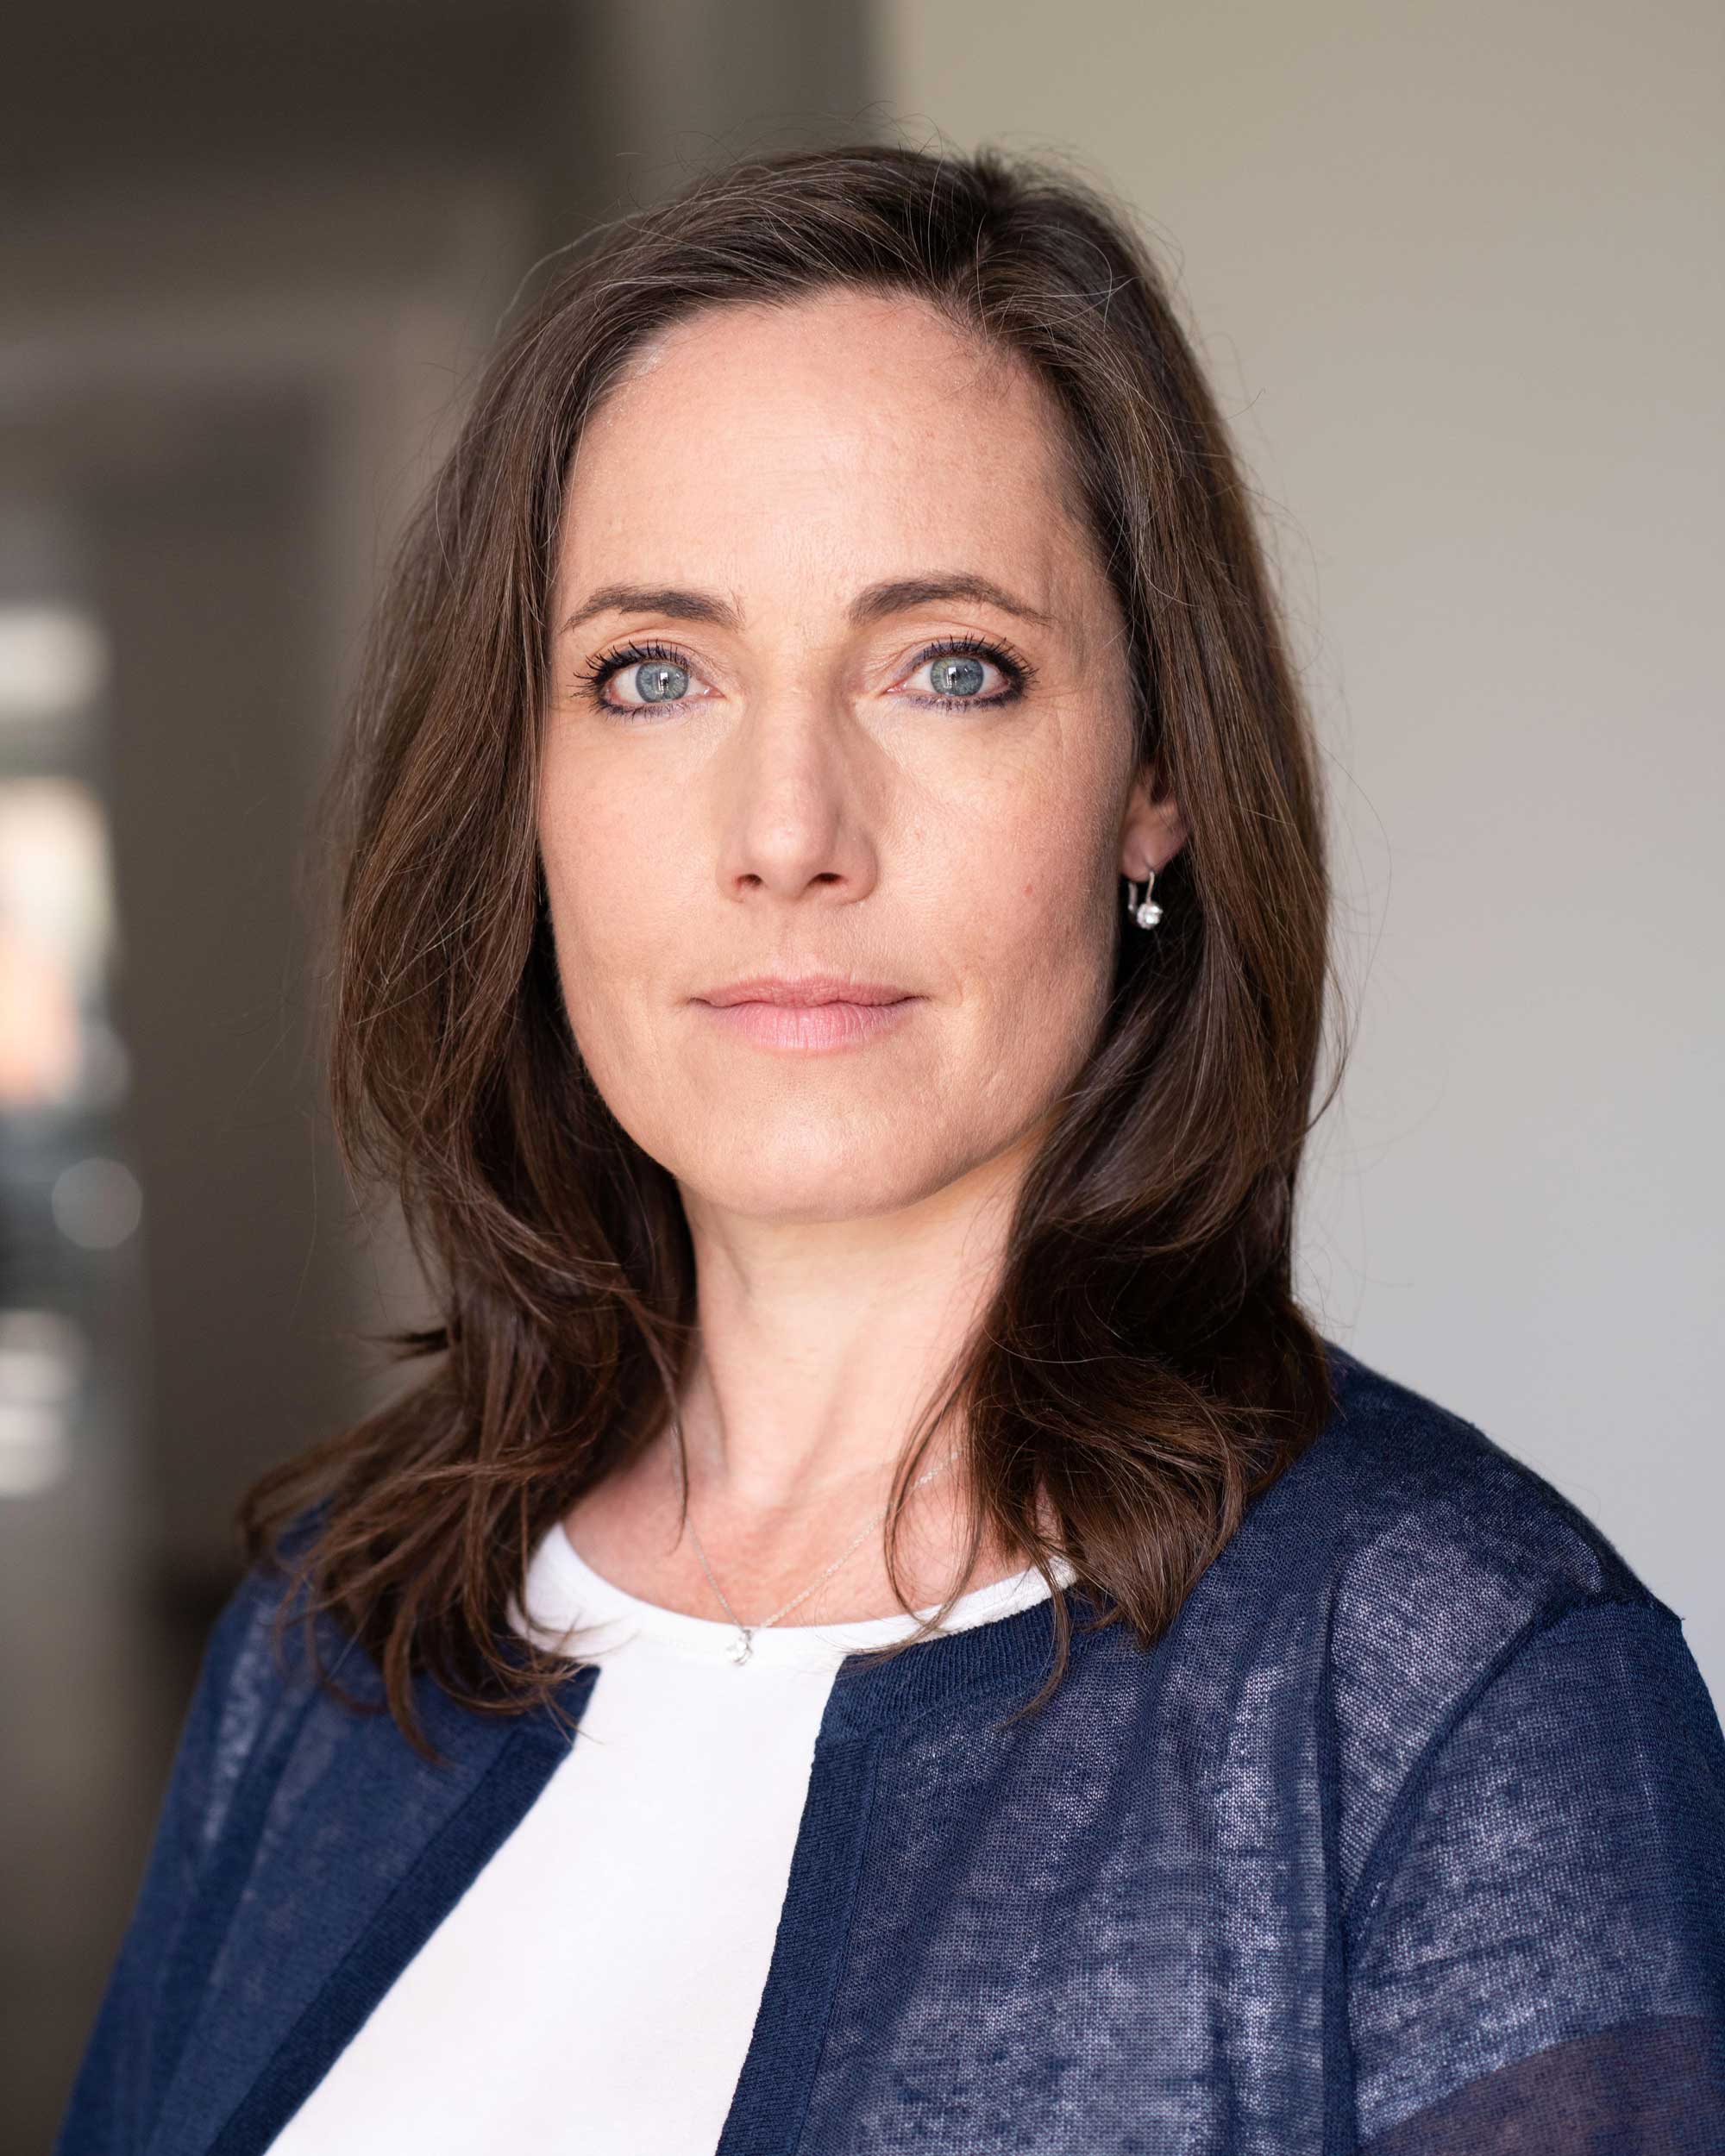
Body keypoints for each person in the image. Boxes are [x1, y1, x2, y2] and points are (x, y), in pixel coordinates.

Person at [55, 141, 1724, 2156]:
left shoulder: (1460, 1690)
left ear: (1153, 778)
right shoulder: (339, 1623)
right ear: (527, 787)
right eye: (653, 674)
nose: (787, 829)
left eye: (950, 667)